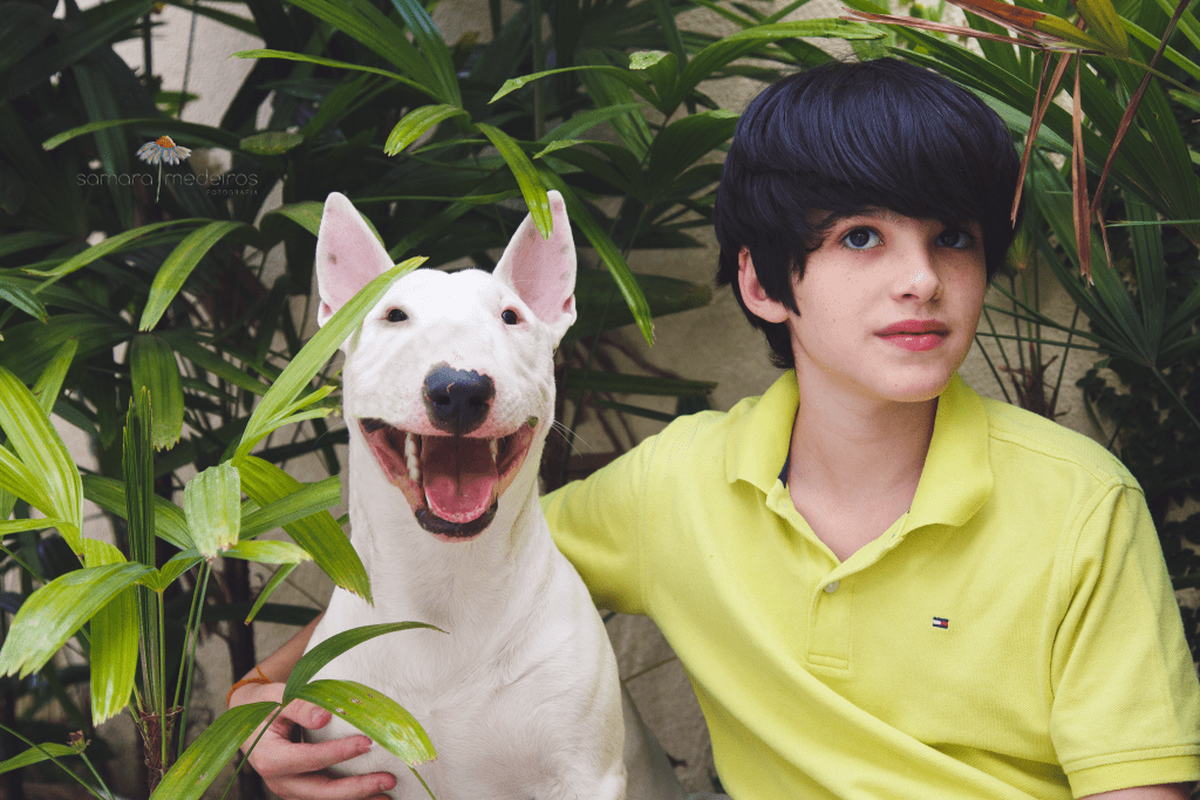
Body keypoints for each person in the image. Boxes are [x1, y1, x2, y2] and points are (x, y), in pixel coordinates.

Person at [226, 57, 1200, 799]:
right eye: (862, 236)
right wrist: (259, 704)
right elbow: (458, 568)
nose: (922, 279)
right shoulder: (679, 483)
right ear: (764, 281)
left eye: (955, 237)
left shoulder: (1081, 503)